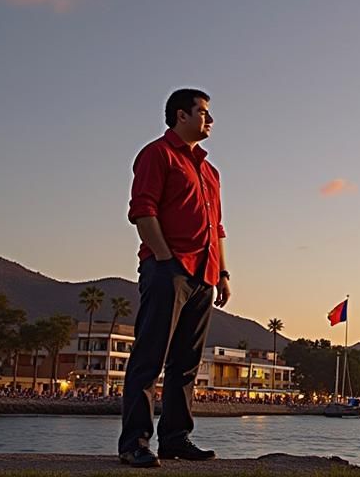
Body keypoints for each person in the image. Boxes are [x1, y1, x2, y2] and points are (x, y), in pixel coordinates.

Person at [117, 88, 231, 467]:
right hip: (169, 269)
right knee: (149, 358)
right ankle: (134, 443)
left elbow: (217, 228)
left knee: (186, 364)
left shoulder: (210, 172)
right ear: (181, 115)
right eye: (203, 112)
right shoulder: (157, 154)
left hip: (204, 275)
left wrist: (222, 273)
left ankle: (175, 439)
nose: (210, 120)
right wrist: (165, 260)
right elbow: (142, 210)